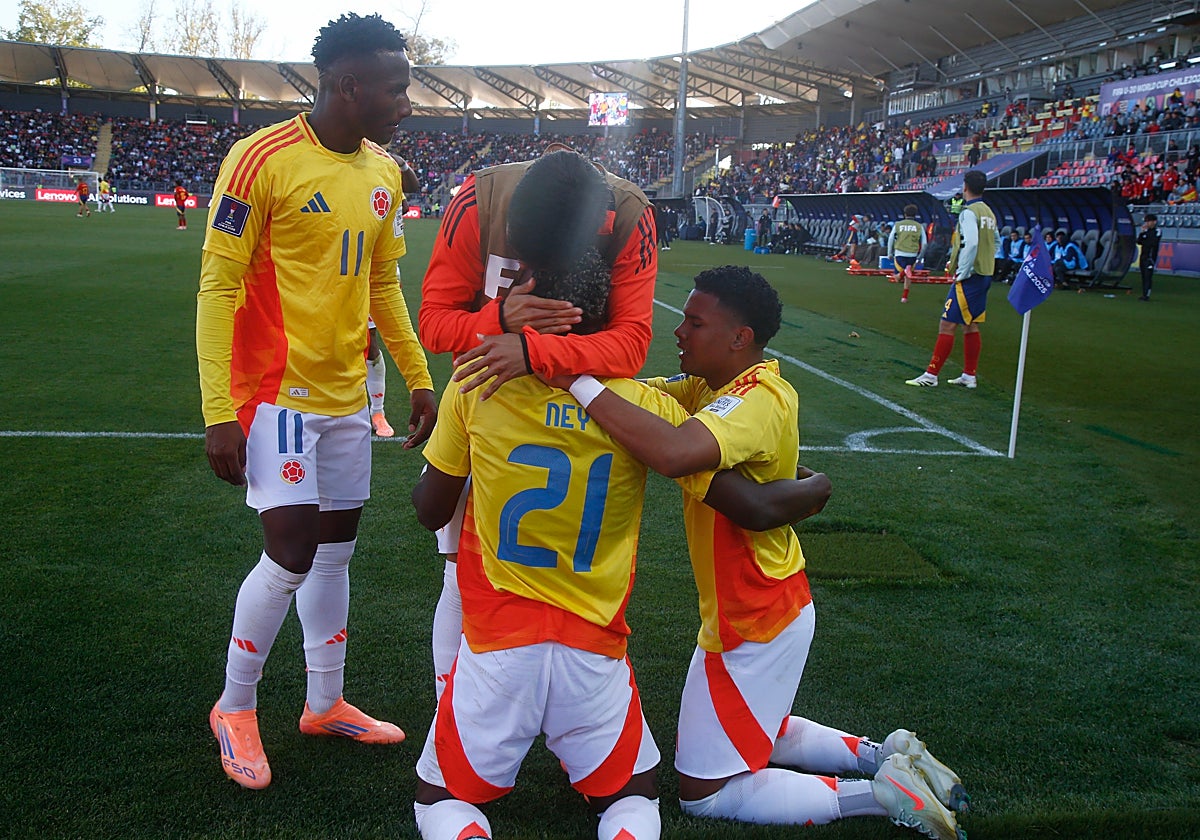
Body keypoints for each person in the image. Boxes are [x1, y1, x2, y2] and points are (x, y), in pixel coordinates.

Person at [551, 266, 967, 840]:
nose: (679, 332)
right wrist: (578, 361)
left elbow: (675, 453)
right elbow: (643, 402)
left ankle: (879, 795)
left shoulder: (757, 397)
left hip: (756, 616)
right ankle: (884, 754)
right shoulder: (709, 388)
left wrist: (573, 377)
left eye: (695, 323)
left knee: (704, 793)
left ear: (739, 338)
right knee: (756, 726)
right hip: (761, 605)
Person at [196, 12, 437, 791]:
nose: (407, 102)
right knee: (292, 550)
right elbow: (219, 287)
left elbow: (383, 286)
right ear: (347, 85)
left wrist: (418, 375)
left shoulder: (383, 173)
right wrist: (217, 409)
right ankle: (234, 708)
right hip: (274, 395)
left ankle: (324, 703)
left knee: (335, 551)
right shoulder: (260, 158)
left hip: (342, 398)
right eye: (397, 88)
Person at [416, 147, 658, 700]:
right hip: (484, 401)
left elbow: (633, 341)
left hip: (575, 406)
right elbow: (433, 323)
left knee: (572, 576)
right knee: (460, 568)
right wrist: (497, 317)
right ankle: (449, 710)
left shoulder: (629, 214)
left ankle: (566, 711)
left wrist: (533, 349)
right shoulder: (479, 199)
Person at [906, 169, 997, 390]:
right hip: (985, 273)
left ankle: (931, 374)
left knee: (947, 324)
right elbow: (996, 241)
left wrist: (963, 271)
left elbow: (972, 243)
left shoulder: (969, 212)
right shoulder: (988, 212)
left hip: (971, 276)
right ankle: (969, 375)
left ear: (965, 187)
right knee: (970, 324)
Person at [366, 152, 425, 438]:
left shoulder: (385, 162)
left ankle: (377, 411)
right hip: (335, 271)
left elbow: (411, 187)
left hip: (379, 272)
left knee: (370, 343)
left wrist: (401, 163)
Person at [888, 204, 927, 302]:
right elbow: (925, 243)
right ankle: (904, 297)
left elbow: (891, 238)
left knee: (898, 277)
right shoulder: (919, 226)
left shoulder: (898, 224)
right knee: (908, 276)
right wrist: (920, 256)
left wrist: (889, 252)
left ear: (904, 214)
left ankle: (903, 272)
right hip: (913, 254)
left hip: (900, 253)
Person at [1137, 213, 1161, 301]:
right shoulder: (1146, 232)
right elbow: (1139, 241)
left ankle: (1146, 295)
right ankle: (1144, 293)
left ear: (1154, 222)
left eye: (1149, 221)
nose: (1147, 223)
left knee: (1148, 276)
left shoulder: (1157, 231)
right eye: (1146, 221)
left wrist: (1145, 237)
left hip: (1150, 257)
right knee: (1143, 276)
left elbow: (1153, 242)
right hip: (1143, 256)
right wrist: (1142, 233)